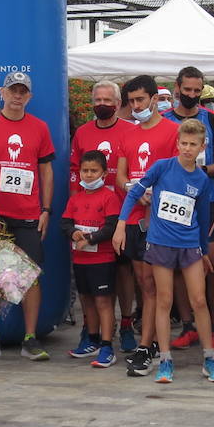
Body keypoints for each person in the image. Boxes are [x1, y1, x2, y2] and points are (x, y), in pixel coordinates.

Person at [115, 118, 214, 384]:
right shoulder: (162, 167)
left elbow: (204, 219)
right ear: (177, 144)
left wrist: (205, 250)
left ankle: (210, 359)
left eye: (192, 144)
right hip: (161, 243)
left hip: (189, 247)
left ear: (202, 147)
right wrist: (120, 225)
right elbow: (132, 193)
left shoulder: (202, 180)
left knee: (199, 300)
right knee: (164, 300)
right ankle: (164, 360)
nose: (187, 148)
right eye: (183, 143)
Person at [0, 71, 54, 362]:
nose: (17, 96)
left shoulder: (40, 128)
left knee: (30, 276)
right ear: (2, 93)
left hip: (28, 214)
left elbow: (46, 170)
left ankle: (30, 338)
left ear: (29, 96)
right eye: (13, 90)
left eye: (23, 91)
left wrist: (46, 209)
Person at [115, 75, 180, 376]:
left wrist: (156, 193)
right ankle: (150, 341)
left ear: (155, 98)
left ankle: (146, 344)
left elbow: (182, 172)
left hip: (162, 218)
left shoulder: (173, 131)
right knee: (143, 281)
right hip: (133, 217)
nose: (136, 106)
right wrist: (134, 189)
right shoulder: (128, 134)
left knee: (155, 284)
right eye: (131, 101)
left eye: (141, 100)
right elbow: (119, 176)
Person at [166, 66, 214, 348]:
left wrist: (197, 170)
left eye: (197, 91)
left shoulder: (213, 120)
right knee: (179, 264)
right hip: (174, 202)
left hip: (206, 200)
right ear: (177, 87)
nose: (192, 95)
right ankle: (188, 325)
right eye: (188, 90)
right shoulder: (165, 119)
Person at [70, 80, 137, 351]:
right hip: (88, 219)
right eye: (97, 100)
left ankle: (127, 323)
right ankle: (91, 328)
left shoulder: (131, 131)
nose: (102, 105)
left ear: (118, 104)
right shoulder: (83, 133)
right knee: (89, 278)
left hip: (122, 216)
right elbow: (75, 172)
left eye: (107, 100)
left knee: (124, 272)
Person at [61, 149, 122, 367]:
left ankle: (107, 346)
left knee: (103, 302)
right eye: (85, 171)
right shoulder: (76, 198)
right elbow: (65, 222)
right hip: (80, 260)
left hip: (102, 260)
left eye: (93, 171)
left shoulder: (109, 197)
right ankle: (92, 339)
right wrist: (73, 233)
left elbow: (111, 227)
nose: (88, 175)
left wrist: (91, 238)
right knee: (86, 300)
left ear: (104, 173)